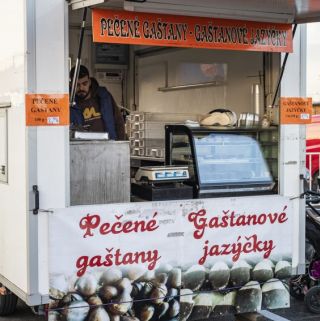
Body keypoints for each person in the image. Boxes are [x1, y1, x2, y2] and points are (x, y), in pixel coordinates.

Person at [69, 65, 125, 140]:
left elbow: (119, 121)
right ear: (71, 85)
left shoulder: (105, 96)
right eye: (77, 85)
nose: (81, 88)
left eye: (84, 83)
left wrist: (119, 145)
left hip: (108, 146)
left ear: (89, 82)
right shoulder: (68, 103)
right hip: (80, 147)